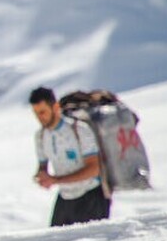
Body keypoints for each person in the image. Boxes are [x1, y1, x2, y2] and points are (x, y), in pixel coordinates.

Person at [29, 86, 110, 226]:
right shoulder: (40, 136)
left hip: (91, 197)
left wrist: (55, 180)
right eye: (36, 113)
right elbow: (42, 166)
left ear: (55, 107)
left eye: (42, 112)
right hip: (65, 198)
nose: (39, 118)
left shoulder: (79, 130)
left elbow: (94, 169)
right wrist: (41, 176)